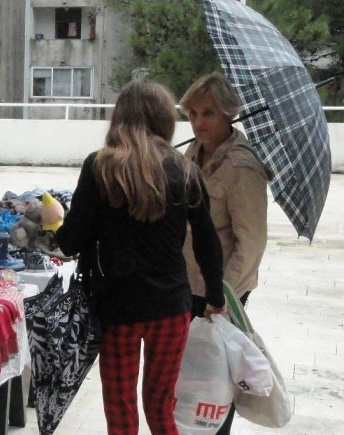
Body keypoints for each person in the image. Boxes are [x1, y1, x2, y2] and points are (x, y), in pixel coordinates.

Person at [56, 79, 226, 435]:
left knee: (120, 409)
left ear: (120, 118)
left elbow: (70, 242)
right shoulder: (185, 170)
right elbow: (207, 242)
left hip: (118, 309)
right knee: (161, 406)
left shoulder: (99, 167)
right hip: (171, 306)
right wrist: (215, 296)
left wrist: (56, 220)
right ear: (164, 119)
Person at [180, 72, 271, 434]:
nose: (198, 122)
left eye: (208, 113)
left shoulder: (242, 167)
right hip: (187, 284)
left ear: (228, 113)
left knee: (216, 378)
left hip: (221, 292)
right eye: (192, 114)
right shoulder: (192, 153)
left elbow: (252, 243)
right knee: (191, 375)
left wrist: (223, 296)